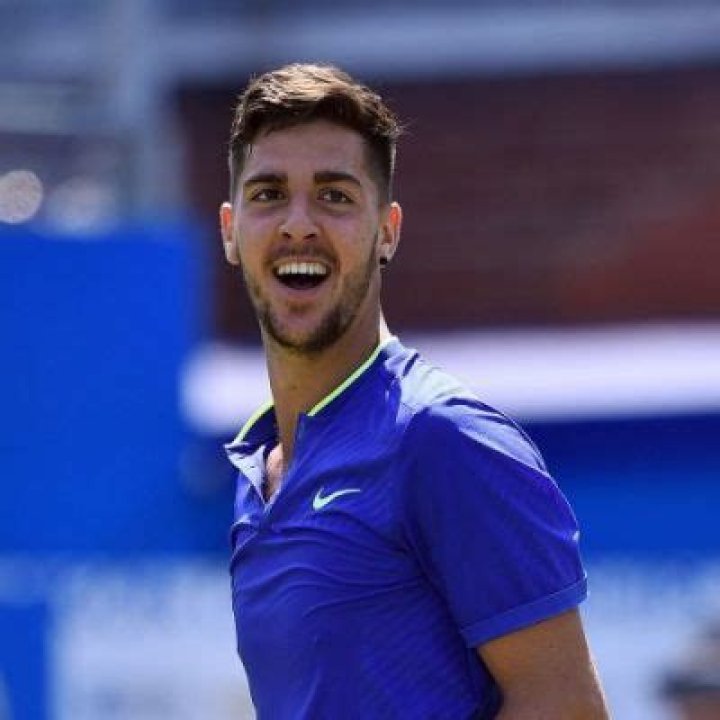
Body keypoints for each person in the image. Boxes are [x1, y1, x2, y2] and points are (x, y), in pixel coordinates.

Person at [220, 62, 609, 719]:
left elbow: (567, 707)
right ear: (231, 231)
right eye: (269, 194)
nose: (297, 224)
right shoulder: (259, 471)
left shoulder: (443, 438)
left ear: (388, 231)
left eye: (334, 195)